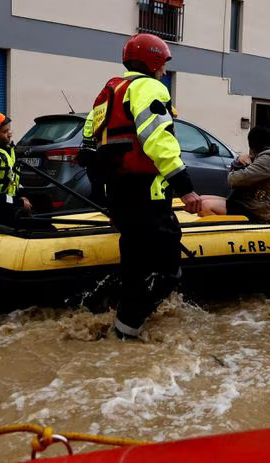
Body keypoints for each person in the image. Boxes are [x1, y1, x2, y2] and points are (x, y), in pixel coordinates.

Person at [80, 32, 202, 340]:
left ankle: (119, 327)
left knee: (134, 264)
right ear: (154, 61)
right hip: (148, 195)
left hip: (120, 195)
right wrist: (185, 186)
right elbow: (157, 140)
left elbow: (88, 149)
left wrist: (107, 198)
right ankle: (129, 327)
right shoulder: (149, 87)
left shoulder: (108, 93)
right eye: (163, 65)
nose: (164, 71)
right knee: (167, 270)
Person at [200, 126, 270, 222]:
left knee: (206, 206)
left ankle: (225, 233)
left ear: (253, 144)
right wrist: (238, 162)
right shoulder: (263, 156)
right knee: (201, 200)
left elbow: (234, 180)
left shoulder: (268, 159)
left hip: (257, 210)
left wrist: (237, 168)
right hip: (249, 203)